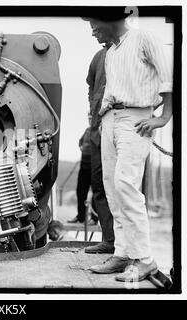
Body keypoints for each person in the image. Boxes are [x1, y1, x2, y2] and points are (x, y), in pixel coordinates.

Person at [84, 9, 173, 282]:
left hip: (136, 118)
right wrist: (100, 119)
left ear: (110, 18)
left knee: (126, 184)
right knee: (112, 188)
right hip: (110, 119)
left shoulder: (144, 38)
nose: (92, 30)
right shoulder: (110, 53)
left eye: (94, 23)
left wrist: (164, 116)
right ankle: (123, 252)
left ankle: (144, 258)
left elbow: (170, 76)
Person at [81, 18, 116, 254]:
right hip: (96, 130)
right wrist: (94, 117)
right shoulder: (98, 57)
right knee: (99, 185)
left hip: (119, 128)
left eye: (95, 24)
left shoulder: (126, 52)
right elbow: (91, 88)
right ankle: (110, 240)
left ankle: (127, 244)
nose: (92, 31)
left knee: (120, 186)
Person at [68, 113, 98, 225]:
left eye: (92, 118)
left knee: (96, 193)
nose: (90, 120)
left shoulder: (99, 130)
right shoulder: (87, 130)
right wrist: (81, 147)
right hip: (84, 166)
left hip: (95, 166)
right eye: (89, 118)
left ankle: (95, 219)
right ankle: (81, 217)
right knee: (80, 191)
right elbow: (80, 141)